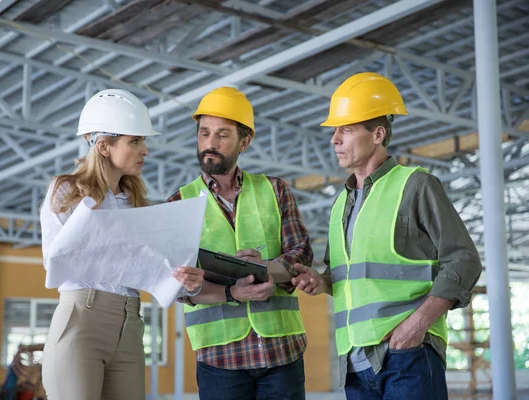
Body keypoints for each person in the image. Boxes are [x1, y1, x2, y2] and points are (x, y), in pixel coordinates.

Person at [292, 72, 482, 399]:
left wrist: (418, 324)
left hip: (407, 355)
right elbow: (350, 278)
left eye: (346, 130)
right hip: (355, 363)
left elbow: (464, 258)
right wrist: (321, 281)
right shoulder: (341, 204)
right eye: (334, 131)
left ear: (378, 134)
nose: (334, 139)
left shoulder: (415, 185)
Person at [39, 89, 204, 400]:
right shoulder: (66, 191)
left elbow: (155, 271)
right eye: (135, 141)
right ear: (104, 146)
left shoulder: (137, 203)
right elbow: (56, 263)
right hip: (82, 320)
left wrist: (186, 281)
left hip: (131, 325)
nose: (145, 150)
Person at [166, 86, 313, 400]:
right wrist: (231, 292)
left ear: (244, 142)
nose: (210, 144)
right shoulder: (179, 203)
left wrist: (267, 269)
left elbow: (301, 253)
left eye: (222, 135)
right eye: (204, 133)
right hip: (220, 358)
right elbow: (177, 287)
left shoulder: (275, 190)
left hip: (281, 351)